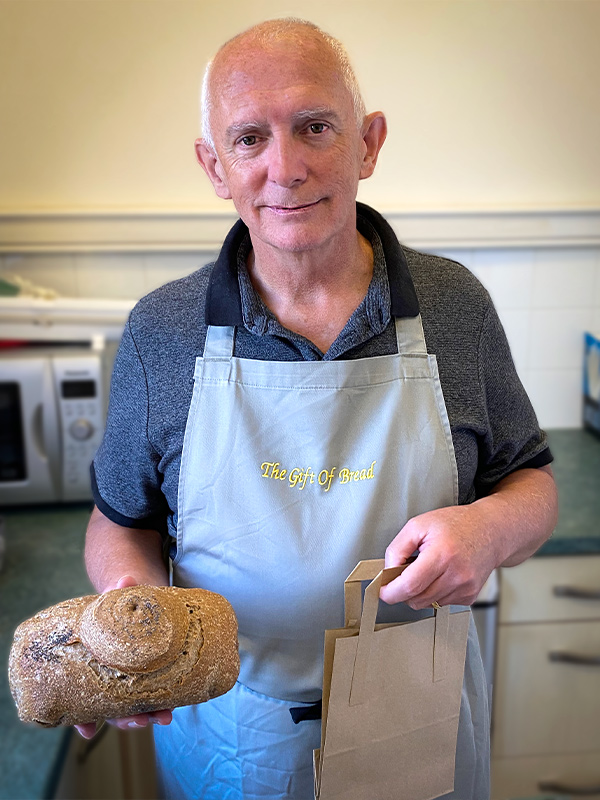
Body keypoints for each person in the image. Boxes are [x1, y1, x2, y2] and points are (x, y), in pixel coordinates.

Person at [78, 17, 558, 800]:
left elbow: (532, 483)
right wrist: (133, 622)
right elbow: (121, 519)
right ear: (213, 166)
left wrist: (490, 527)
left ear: (367, 143)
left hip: (421, 725)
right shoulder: (162, 332)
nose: (286, 167)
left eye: (314, 127)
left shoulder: (453, 305)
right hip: (231, 731)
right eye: (248, 139)